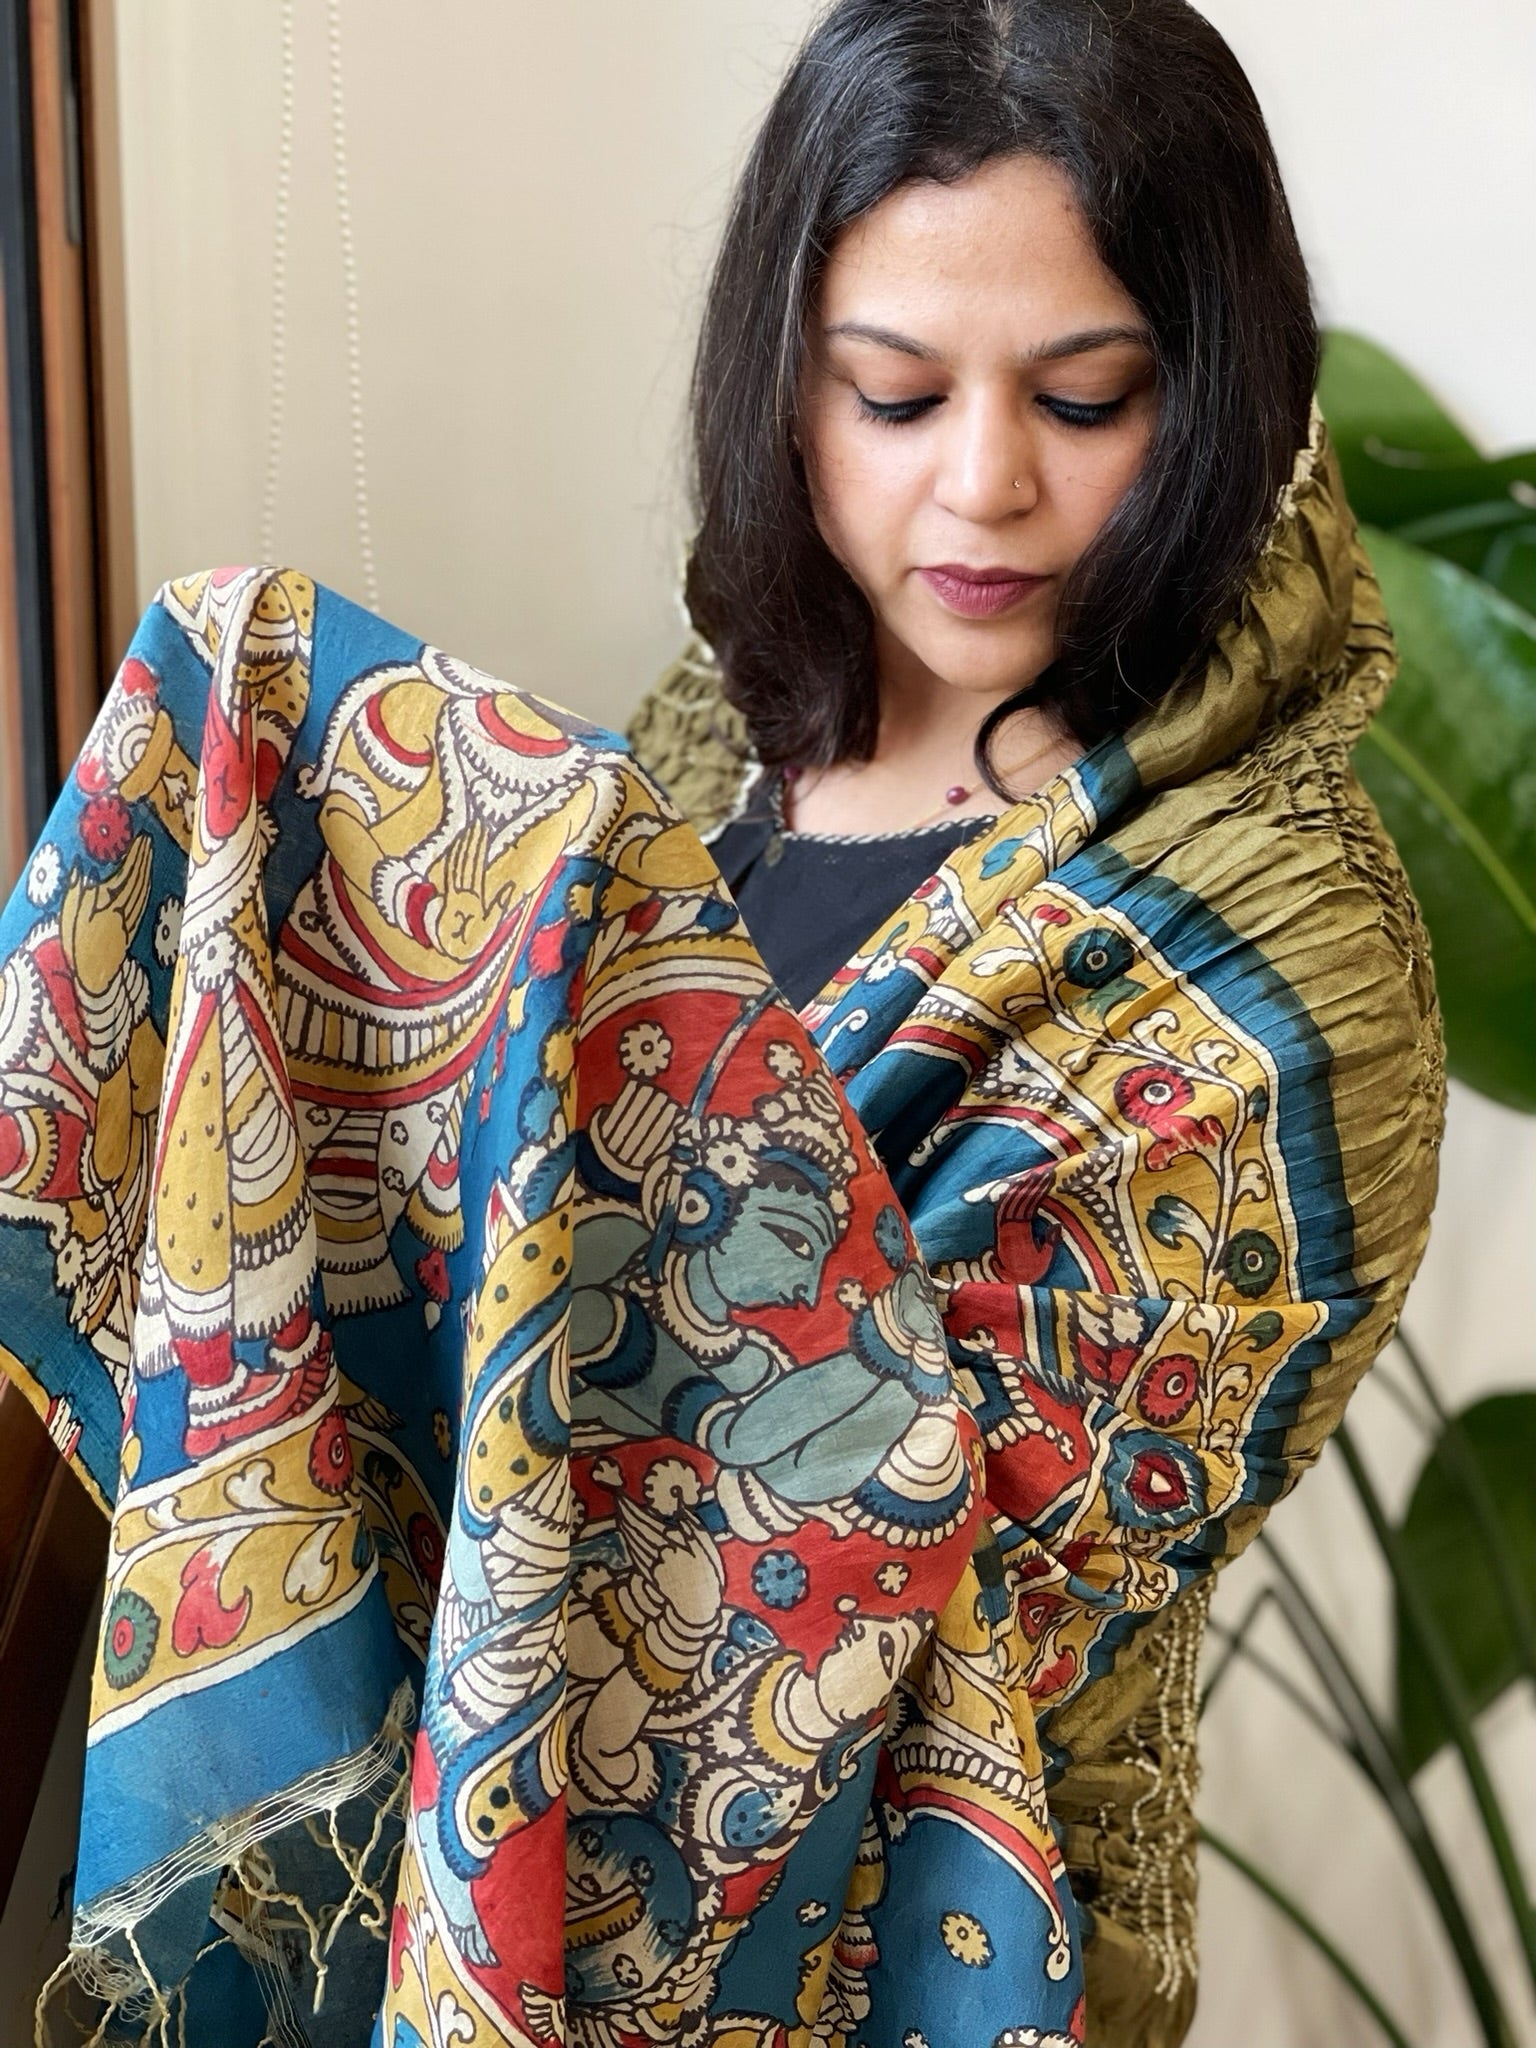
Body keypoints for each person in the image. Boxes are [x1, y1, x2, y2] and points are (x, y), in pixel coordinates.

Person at [624, 0, 1445, 2040]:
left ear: (1224, 391)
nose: (982, 487)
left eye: (1086, 398)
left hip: (961, 1959)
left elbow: (893, 1546)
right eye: (891, 394)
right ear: (780, 388)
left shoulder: (1278, 963)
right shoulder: (704, 735)